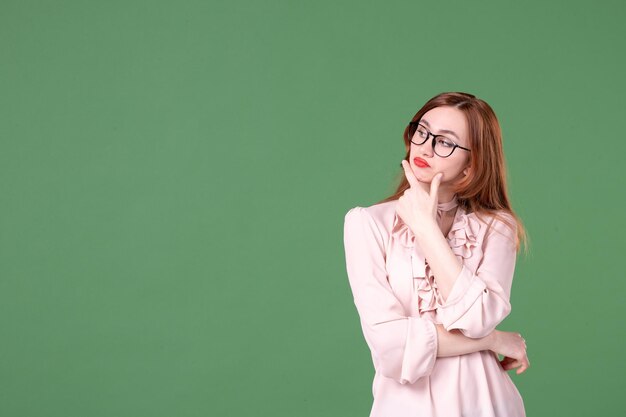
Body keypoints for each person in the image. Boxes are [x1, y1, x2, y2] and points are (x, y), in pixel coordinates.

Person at [343, 92, 530, 417]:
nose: (425, 147)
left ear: (471, 166)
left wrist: (426, 229)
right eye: (422, 131)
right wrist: (494, 341)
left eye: (445, 142)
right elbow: (390, 348)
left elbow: (477, 319)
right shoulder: (367, 224)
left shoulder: (496, 228)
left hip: (485, 403)